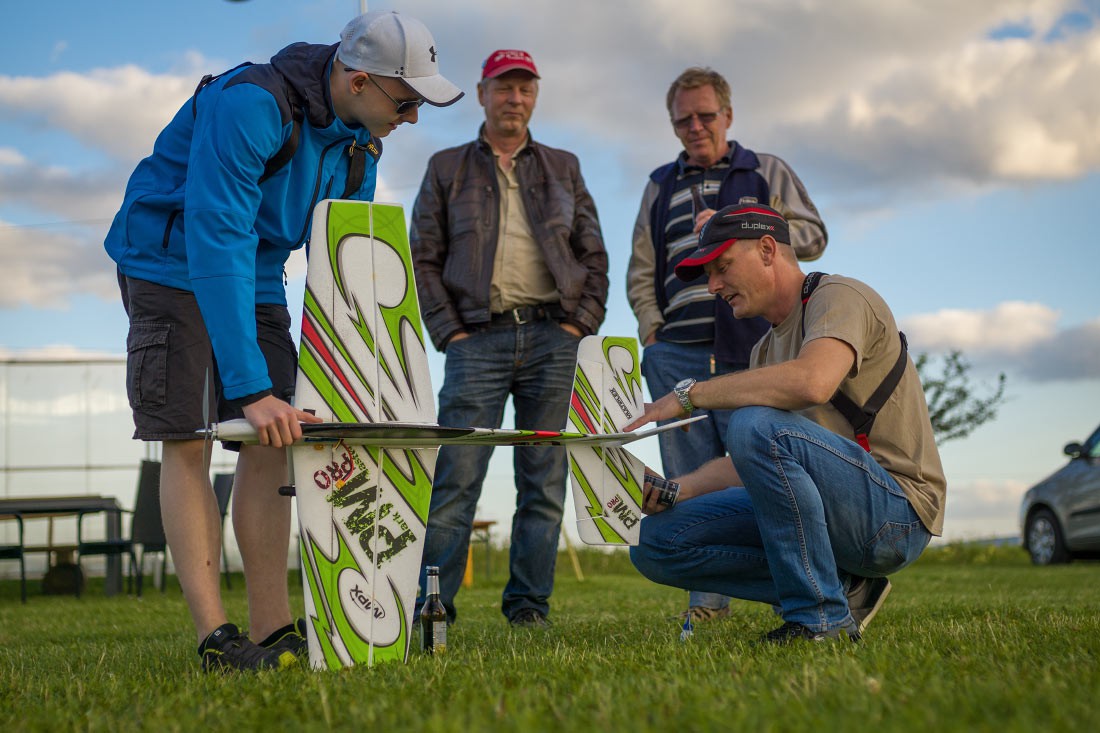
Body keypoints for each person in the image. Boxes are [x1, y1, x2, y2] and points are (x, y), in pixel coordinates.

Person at [103, 11, 462, 672]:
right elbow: (216, 235)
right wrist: (250, 388)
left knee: (277, 436)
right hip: (170, 260)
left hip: (260, 270)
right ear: (359, 81)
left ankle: (271, 629)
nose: (413, 117)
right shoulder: (250, 105)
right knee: (187, 435)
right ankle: (216, 638)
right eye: (406, 101)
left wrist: (359, 382)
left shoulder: (362, 147)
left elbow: (345, 264)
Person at [626, 203, 945, 643]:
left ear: (767, 249)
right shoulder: (764, 350)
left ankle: (820, 620)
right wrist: (676, 489)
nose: (713, 286)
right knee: (653, 542)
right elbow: (756, 455)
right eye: (709, 275)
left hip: (894, 516)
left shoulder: (840, 296)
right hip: (831, 511)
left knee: (751, 424)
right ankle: (843, 588)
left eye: (722, 267)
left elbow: (813, 382)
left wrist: (689, 395)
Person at [410, 49, 608, 628]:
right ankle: (432, 609)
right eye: (503, 87)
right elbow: (424, 257)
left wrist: (578, 325)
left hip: (553, 338)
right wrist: (451, 332)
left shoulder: (564, 166)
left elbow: (593, 255)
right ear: (481, 94)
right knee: (456, 478)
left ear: (535, 96)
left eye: (524, 88)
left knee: (544, 481)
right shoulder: (446, 167)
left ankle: (528, 608)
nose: (514, 99)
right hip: (477, 341)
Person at [626, 67, 828, 623]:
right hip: (675, 350)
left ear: (728, 116)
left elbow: (814, 235)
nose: (695, 127)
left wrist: (747, 223)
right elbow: (642, 266)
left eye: (705, 116)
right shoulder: (658, 184)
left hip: (754, 347)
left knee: (760, 460)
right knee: (686, 476)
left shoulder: (765, 169)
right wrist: (651, 331)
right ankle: (707, 604)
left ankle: (801, 586)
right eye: (683, 120)